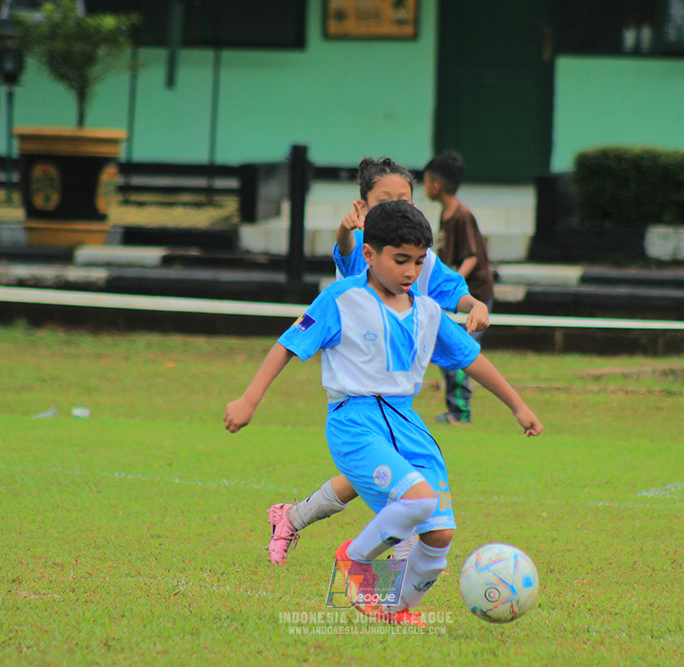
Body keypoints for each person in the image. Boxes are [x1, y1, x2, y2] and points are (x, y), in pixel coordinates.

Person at [224, 200, 544, 625]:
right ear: (369, 254)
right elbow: (288, 344)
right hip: (355, 423)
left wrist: (518, 406)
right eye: (400, 260)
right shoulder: (343, 298)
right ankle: (355, 559)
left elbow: (471, 359)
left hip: (406, 424)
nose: (411, 271)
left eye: (418, 261)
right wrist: (249, 400)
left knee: (440, 534)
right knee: (417, 500)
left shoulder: (426, 311)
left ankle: (394, 609)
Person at [265, 157, 490, 566]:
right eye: (385, 199)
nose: (397, 205)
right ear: (362, 207)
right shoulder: (366, 256)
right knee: (405, 503)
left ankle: (291, 518)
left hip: (396, 399)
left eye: (405, 198)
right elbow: (346, 250)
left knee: (380, 484)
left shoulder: (421, 258)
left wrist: (473, 303)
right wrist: (344, 229)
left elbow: (450, 288)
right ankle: (384, 584)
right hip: (358, 397)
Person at [424, 151, 493, 425]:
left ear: (436, 185)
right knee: (447, 351)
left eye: (425, 181)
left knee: (460, 351)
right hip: (456, 298)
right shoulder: (447, 214)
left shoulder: (462, 216)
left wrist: (451, 285)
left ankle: (460, 412)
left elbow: (471, 257)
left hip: (473, 297)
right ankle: (456, 410)